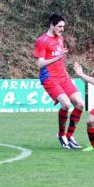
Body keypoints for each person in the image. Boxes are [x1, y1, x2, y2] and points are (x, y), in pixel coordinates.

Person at [34, 14, 84, 149]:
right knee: (66, 105)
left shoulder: (60, 38)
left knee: (80, 104)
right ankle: (61, 135)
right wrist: (57, 58)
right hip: (49, 78)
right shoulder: (42, 41)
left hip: (63, 77)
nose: (62, 29)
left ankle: (69, 136)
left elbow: (60, 58)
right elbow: (39, 64)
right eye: (59, 26)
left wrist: (66, 72)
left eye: (63, 27)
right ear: (51, 25)